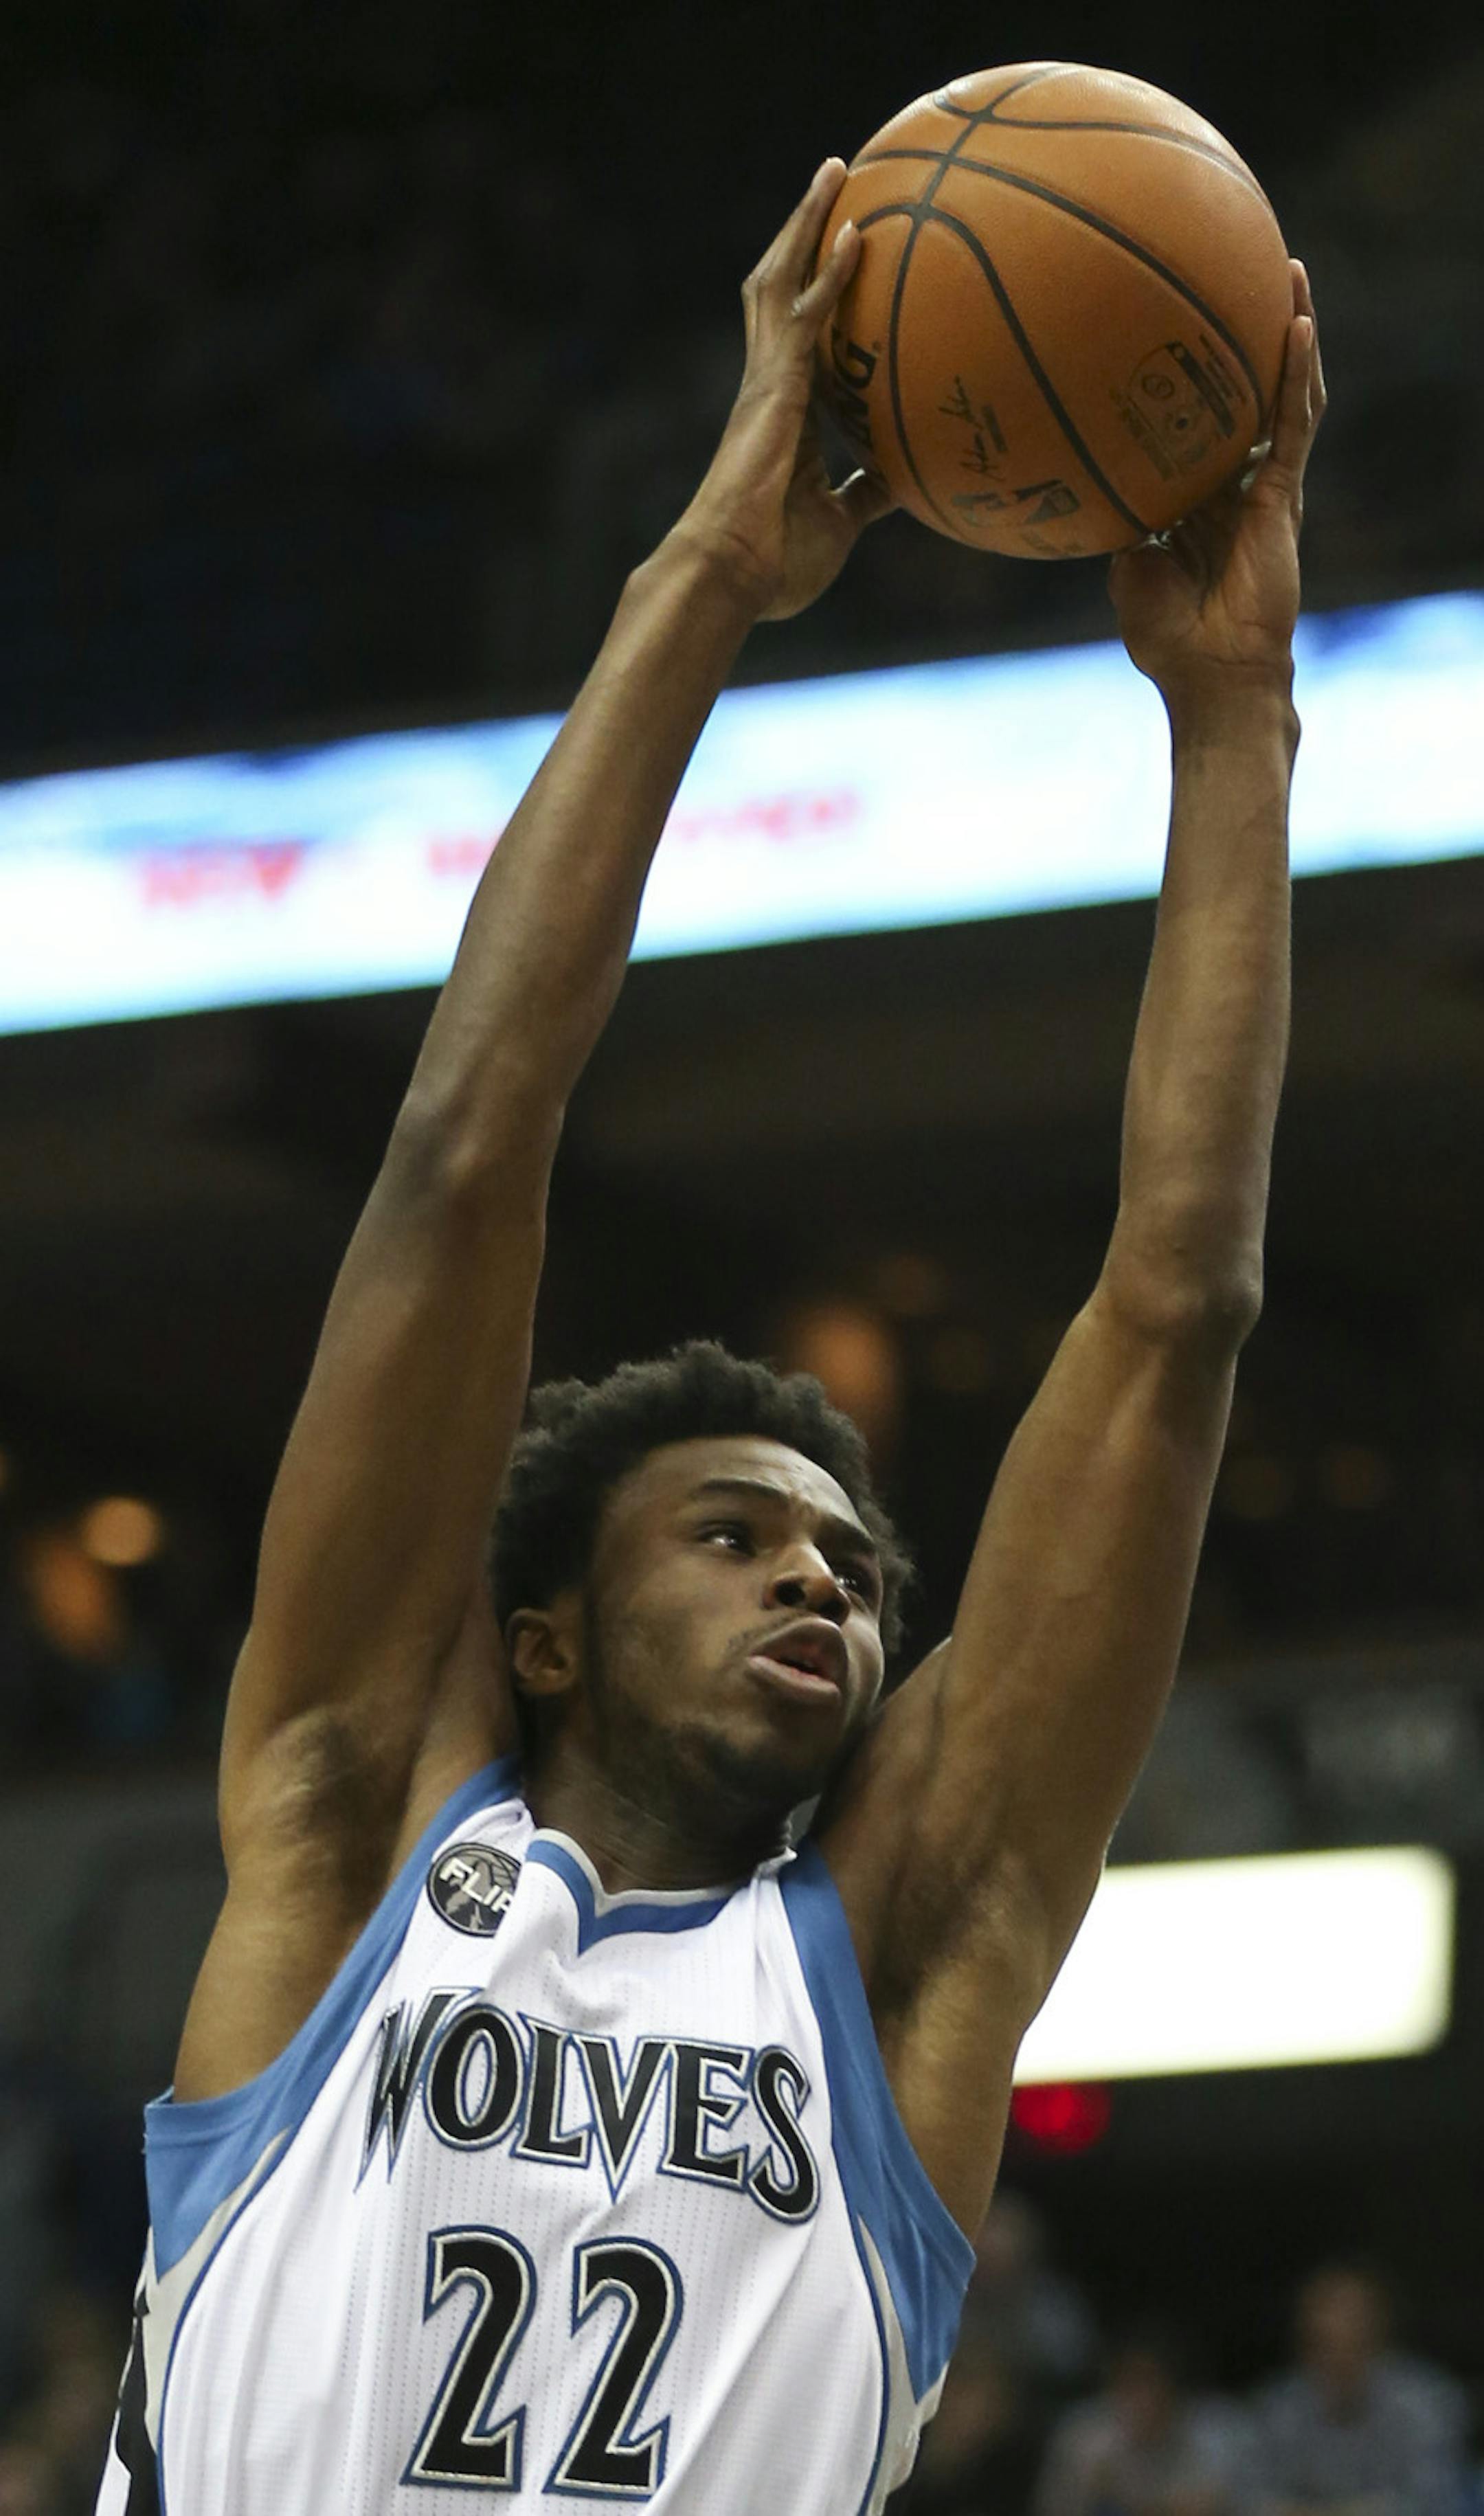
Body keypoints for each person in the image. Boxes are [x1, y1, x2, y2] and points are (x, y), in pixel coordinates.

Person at [94, 159, 1324, 2514]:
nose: (826, 1584)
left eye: (852, 1563)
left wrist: (1236, 719)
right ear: (537, 1638)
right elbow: (469, 1144)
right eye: (742, 1535)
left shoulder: (894, 1964)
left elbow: (1173, 1312)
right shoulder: (353, 1834)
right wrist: (710, 581)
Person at [1248, 2262, 1469, 2515]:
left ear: (1378, 2335)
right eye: (1323, 2342)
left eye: (1353, 2337)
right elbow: (1253, 2499)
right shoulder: (1278, 2407)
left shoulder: (1428, 2401)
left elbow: (1432, 2501)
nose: (1338, 2355)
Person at [1036, 2324, 1250, 2516]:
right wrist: (1090, 2493)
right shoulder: (1084, 2434)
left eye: (1151, 2382)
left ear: (1177, 2389)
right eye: (1129, 2384)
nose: (1140, 2401)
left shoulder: (1218, 2432)